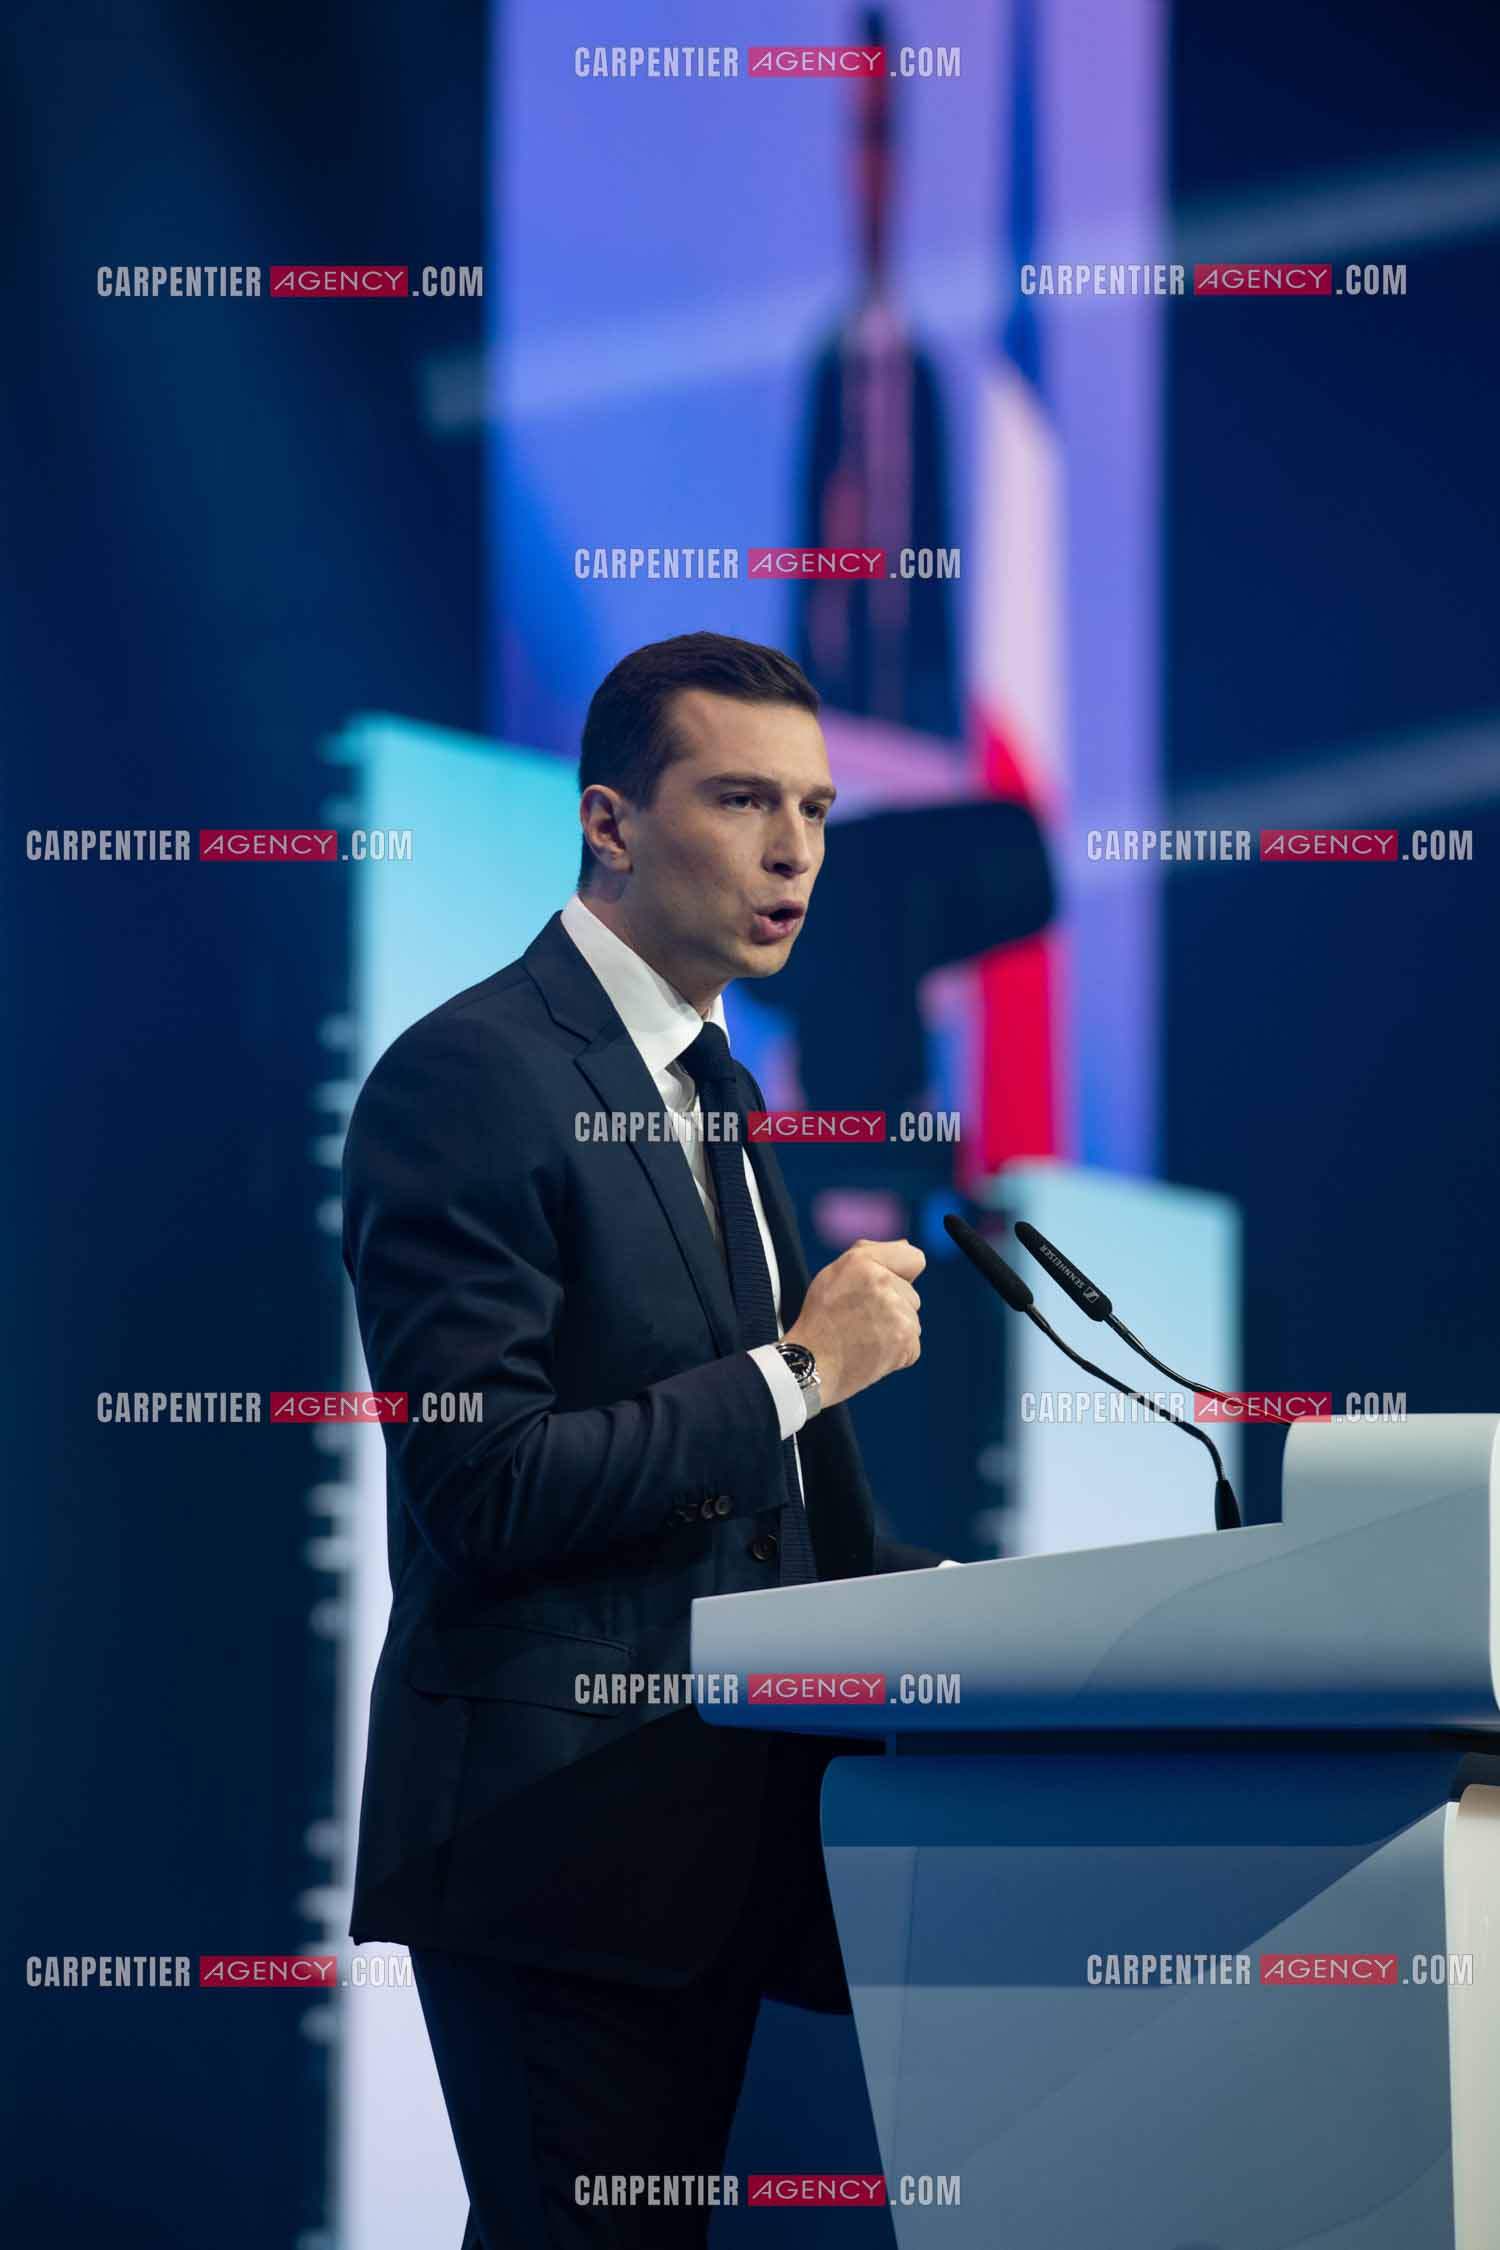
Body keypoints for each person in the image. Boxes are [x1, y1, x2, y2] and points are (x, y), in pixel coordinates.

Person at [341, 630, 954, 2247]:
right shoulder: (470, 1077)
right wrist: (798, 1368)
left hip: (707, 1845)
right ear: (609, 820)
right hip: (551, 1840)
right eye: (744, 797)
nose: (796, 849)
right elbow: (483, 1483)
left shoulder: (714, 1082)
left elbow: (774, 1507)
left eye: (816, 808)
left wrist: (975, 1607)